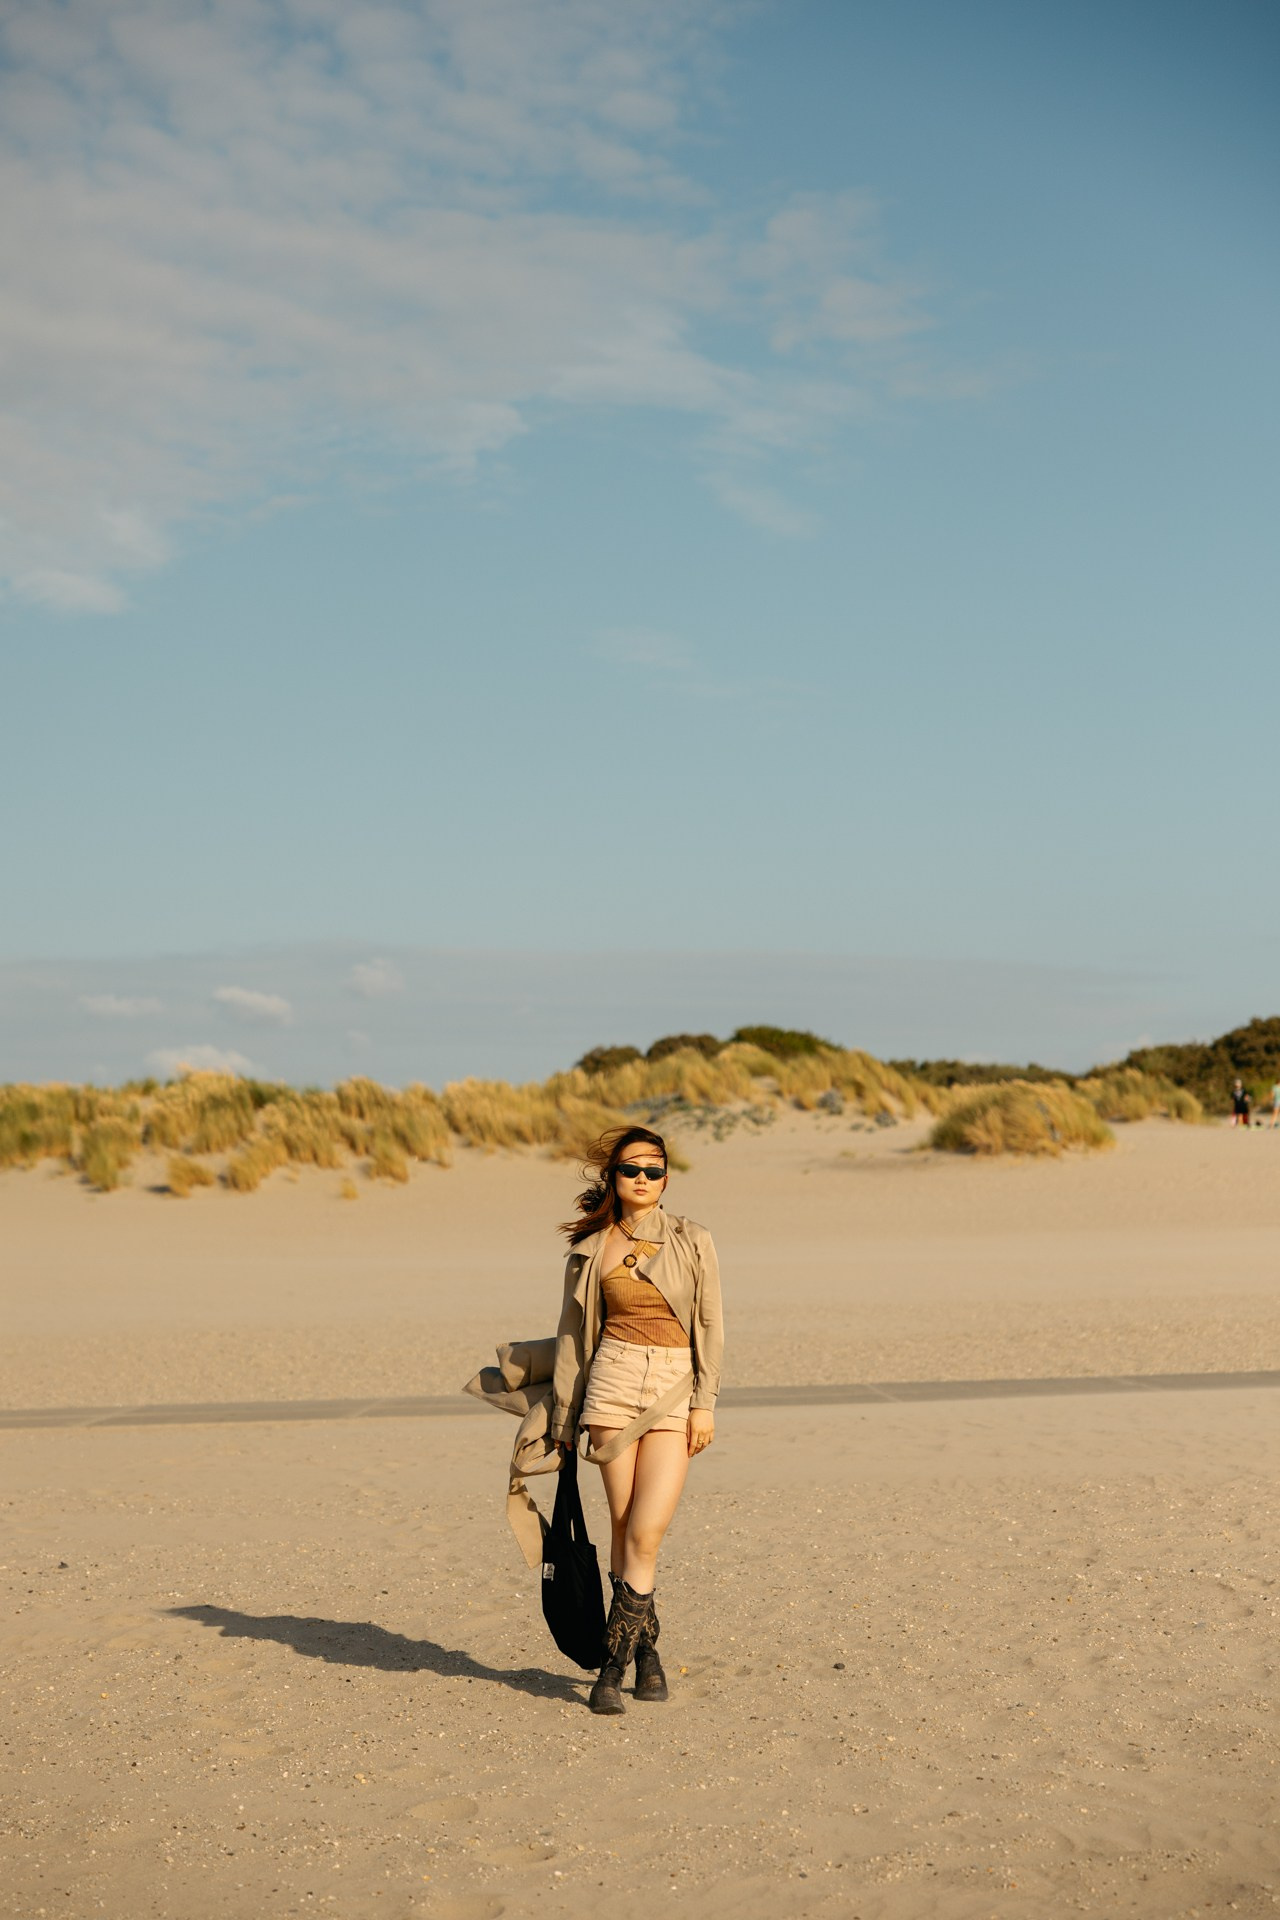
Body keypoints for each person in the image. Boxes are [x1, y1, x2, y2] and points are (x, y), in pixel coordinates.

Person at [550, 1126, 723, 1715]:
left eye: (654, 1170)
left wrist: (705, 1403)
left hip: (674, 1386)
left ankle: (613, 1664)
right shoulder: (593, 1245)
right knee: (624, 1527)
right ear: (614, 1179)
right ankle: (645, 1655)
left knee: (646, 1531)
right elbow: (573, 1336)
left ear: (667, 1178)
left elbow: (709, 1326)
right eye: (631, 1170)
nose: (643, 1180)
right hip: (611, 1382)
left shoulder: (692, 1239)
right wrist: (564, 1417)